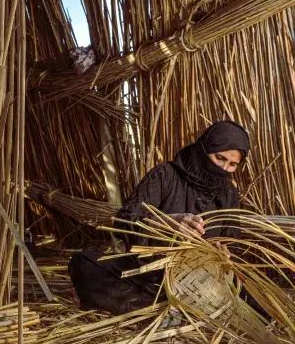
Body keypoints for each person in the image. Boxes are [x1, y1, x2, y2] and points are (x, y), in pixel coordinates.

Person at [68, 120, 250, 314]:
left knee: (255, 299)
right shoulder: (165, 175)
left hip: (199, 284)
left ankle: (169, 309)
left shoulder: (228, 193)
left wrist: (222, 252)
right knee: (85, 264)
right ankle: (170, 309)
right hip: (151, 278)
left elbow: (232, 243)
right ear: (203, 149)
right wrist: (166, 222)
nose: (224, 168)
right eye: (219, 158)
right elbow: (125, 221)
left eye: (232, 165)